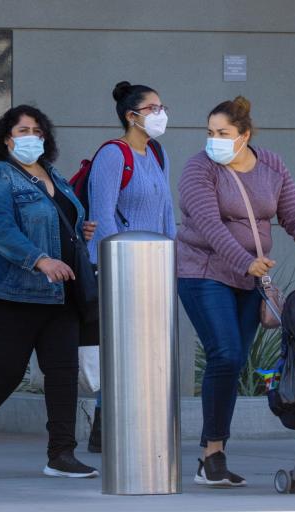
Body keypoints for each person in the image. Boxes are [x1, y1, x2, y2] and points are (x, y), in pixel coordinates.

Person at [0, 105, 98, 477]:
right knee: (6, 372)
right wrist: (40, 259)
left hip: (59, 293)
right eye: (23, 130)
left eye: (38, 131)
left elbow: (59, 217)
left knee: (62, 373)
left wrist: (79, 231)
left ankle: (61, 453)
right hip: (9, 294)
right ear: (6, 138)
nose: (32, 136)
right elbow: (0, 230)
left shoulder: (52, 174)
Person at [177, 96, 295, 486]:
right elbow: (210, 226)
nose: (214, 140)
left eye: (223, 133)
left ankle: (212, 456)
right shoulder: (198, 168)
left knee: (234, 363)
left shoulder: (271, 165)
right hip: (203, 271)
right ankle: (211, 454)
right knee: (226, 353)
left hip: (251, 279)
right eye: (209, 132)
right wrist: (245, 261)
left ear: (245, 136)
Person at [85, 81, 177, 453]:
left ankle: (137, 425)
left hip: (156, 269)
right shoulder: (112, 155)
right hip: (122, 270)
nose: (161, 113)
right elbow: (102, 215)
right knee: (122, 351)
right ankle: (105, 428)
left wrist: (171, 258)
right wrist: (117, 267)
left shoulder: (157, 152)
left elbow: (167, 211)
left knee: (149, 352)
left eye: (161, 106)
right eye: (153, 108)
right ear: (131, 116)